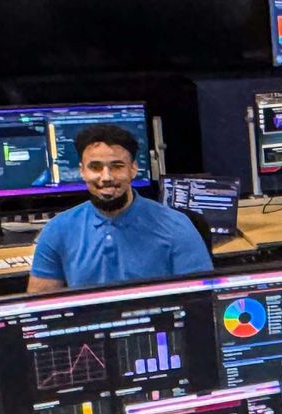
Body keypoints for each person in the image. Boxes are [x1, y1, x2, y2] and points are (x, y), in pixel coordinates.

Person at [28, 123, 210, 293]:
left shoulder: (176, 227)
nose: (106, 177)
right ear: (82, 171)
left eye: (117, 166)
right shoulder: (57, 230)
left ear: (133, 169)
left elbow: (201, 301)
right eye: (95, 167)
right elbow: (40, 310)